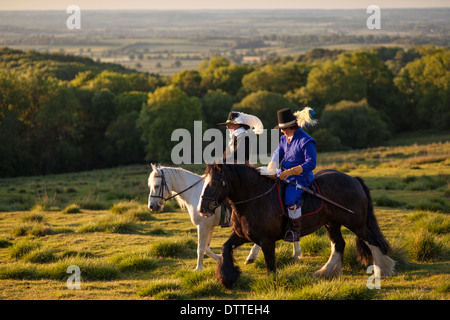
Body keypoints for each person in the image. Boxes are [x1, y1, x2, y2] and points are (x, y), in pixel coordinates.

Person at [267, 107, 317, 242]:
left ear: (291, 127)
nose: (281, 131)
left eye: (283, 128)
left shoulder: (306, 141)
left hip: (300, 178)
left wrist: (291, 171)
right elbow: (278, 153)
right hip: (284, 174)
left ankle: (295, 231)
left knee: (290, 198)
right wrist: (271, 166)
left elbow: (311, 163)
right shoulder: (284, 138)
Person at [217, 111, 263, 226]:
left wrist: (223, 161)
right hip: (234, 169)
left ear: (237, 125)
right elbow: (226, 154)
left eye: (229, 125)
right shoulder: (234, 137)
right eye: (227, 126)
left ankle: (230, 217)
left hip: (241, 170)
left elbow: (241, 155)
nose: (227, 128)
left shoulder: (243, 136)